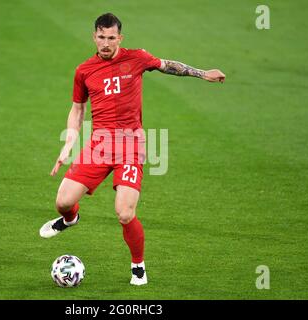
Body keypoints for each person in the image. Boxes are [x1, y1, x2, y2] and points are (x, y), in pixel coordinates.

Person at [39, 13, 225, 286]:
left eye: (111, 38)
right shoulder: (84, 70)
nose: (105, 43)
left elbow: (167, 65)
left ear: (119, 38)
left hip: (130, 145)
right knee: (63, 202)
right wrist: (69, 143)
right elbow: (78, 109)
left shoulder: (136, 58)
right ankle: (70, 219)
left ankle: (138, 266)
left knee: (125, 212)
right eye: (101, 37)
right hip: (98, 145)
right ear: (94, 36)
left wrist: (201, 73)